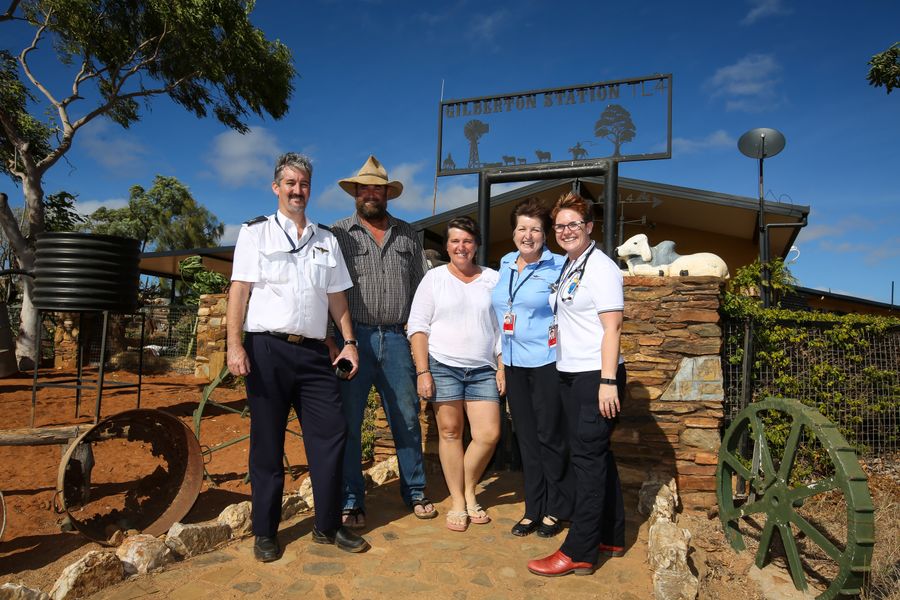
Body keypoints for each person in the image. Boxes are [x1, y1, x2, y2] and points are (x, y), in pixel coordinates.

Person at [226, 152, 369, 562]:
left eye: (304, 184)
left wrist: (349, 342)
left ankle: (328, 525)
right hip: (266, 349)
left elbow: (336, 295)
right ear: (276, 187)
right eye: (290, 183)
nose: (297, 190)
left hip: (312, 353)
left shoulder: (326, 239)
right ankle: (265, 532)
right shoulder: (255, 233)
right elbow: (240, 291)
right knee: (267, 444)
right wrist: (234, 346)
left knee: (331, 435)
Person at [329, 155, 436, 528]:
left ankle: (415, 491)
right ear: (355, 193)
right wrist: (335, 342)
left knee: (406, 418)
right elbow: (327, 290)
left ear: (387, 194)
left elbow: (424, 289)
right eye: (365, 188)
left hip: (396, 338)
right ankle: (352, 498)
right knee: (350, 422)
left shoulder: (408, 234)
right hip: (352, 338)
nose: (371, 194)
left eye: (378, 188)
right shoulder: (337, 234)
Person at [527, 191, 627, 576]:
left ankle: (579, 551)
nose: (566, 231)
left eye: (574, 224)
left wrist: (607, 381)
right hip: (572, 372)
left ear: (589, 227)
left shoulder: (601, 268)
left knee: (585, 462)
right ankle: (611, 536)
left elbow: (612, 326)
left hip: (593, 377)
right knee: (597, 456)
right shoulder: (572, 264)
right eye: (560, 225)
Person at [407, 216, 504, 533]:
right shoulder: (434, 279)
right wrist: (423, 371)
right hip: (442, 364)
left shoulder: (493, 279)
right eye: (454, 241)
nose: (460, 247)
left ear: (476, 245)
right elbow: (418, 327)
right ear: (447, 245)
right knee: (449, 432)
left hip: (482, 368)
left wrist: (502, 366)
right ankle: (460, 501)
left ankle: (468, 487)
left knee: (488, 435)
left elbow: (502, 327)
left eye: (467, 241)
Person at [490, 198, 573, 538]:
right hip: (512, 363)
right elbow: (499, 316)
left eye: (536, 229)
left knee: (550, 436)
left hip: (546, 363)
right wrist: (499, 360)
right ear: (513, 233)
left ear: (545, 234)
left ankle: (556, 507)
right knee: (525, 438)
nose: (528, 235)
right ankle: (533, 507)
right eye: (522, 228)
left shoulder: (559, 266)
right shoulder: (506, 262)